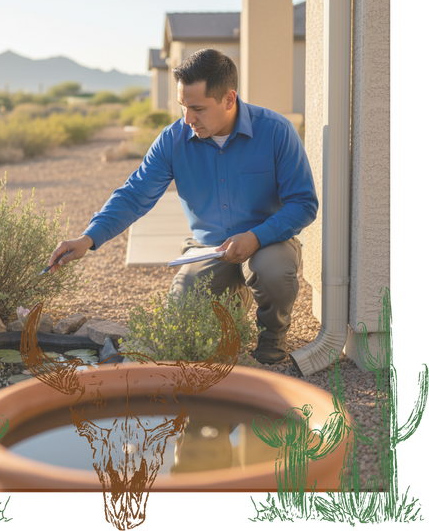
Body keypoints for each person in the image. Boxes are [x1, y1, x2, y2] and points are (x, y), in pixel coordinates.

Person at [46, 48, 318, 364]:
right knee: (182, 313)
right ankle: (234, 301)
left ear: (229, 99)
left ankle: (273, 335)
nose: (188, 118)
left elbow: (303, 203)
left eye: (198, 108)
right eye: (183, 107)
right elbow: (135, 194)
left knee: (271, 269)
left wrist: (256, 237)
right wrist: (88, 238)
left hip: (267, 243)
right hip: (208, 249)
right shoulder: (172, 140)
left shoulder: (276, 131)